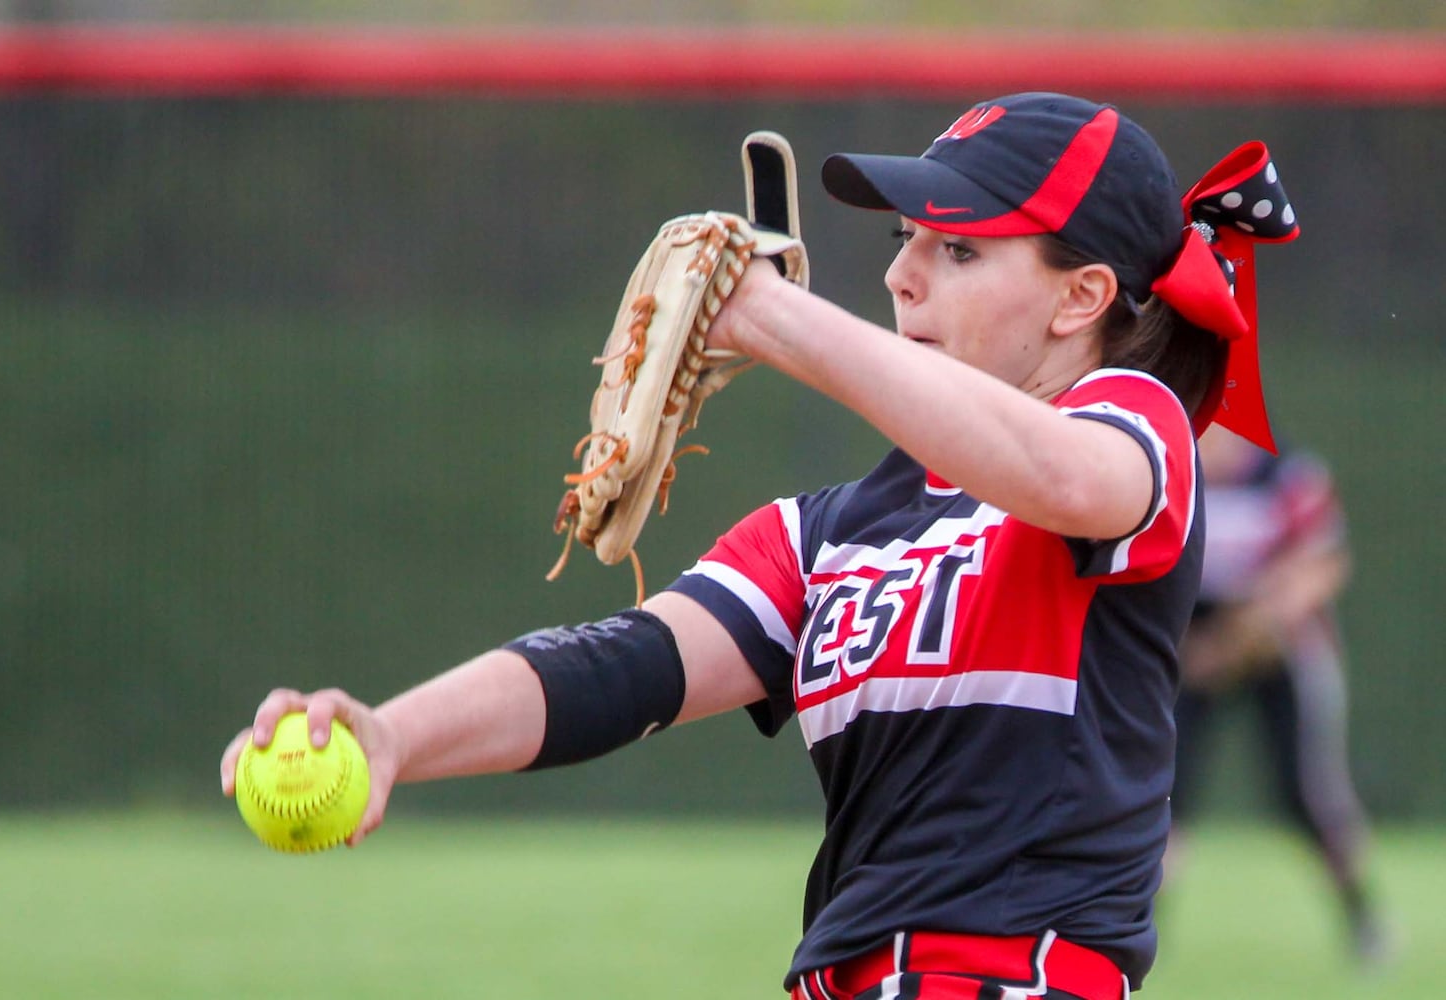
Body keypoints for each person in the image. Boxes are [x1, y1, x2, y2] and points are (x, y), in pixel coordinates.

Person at [221, 92, 1299, 999]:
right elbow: (621, 667)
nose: (902, 277)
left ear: (1083, 296)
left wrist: (771, 318)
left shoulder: (1133, 432)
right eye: (903, 241)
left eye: (958, 248)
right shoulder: (828, 531)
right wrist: (396, 734)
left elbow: (1060, 475)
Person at [1167, 424, 1391, 965]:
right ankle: (1140, 931)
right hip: (1192, 657)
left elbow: (1321, 566)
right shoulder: (1171, 470)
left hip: (1281, 656)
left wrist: (1238, 636)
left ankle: (1364, 919)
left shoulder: (1288, 473)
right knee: (1164, 795)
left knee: (1307, 793)